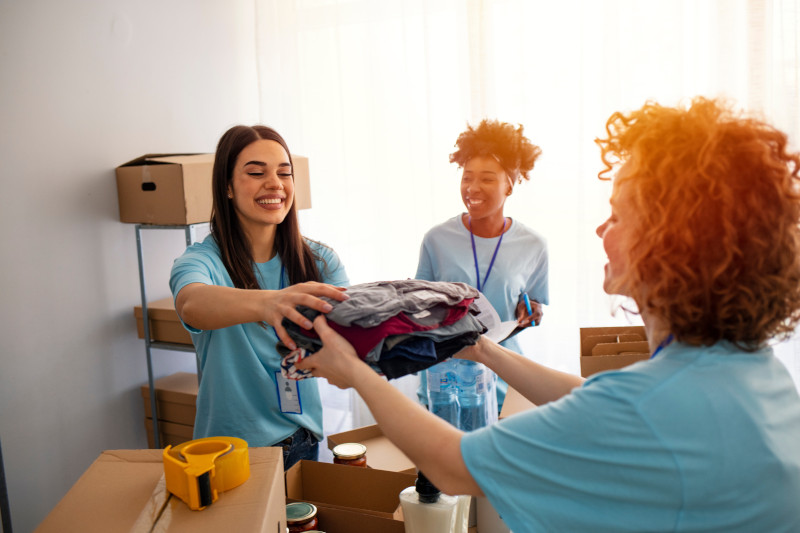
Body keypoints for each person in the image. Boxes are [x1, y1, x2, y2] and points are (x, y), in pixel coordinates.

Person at [297, 98, 800, 531]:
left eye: (619, 214)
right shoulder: (751, 371)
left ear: (673, 242)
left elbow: (452, 466)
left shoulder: (650, 406)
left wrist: (356, 372)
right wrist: (482, 348)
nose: (602, 229)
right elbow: (597, 401)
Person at [169, 125, 349, 470]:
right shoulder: (200, 261)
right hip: (231, 451)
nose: (275, 184)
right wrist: (270, 303)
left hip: (303, 438)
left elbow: (346, 338)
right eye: (256, 173)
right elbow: (192, 304)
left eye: (285, 173)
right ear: (227, 187)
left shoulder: (321, 261)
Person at [415, 119, 549, 413]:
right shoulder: (436, 239)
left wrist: (533, 312)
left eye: (487, 179)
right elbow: (418, 306)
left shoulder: (533, 245)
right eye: (467, 177)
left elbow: (536, 307)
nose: (473, 188)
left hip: (505, 382)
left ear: (510, 185)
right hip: (445, 382)